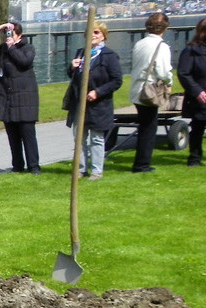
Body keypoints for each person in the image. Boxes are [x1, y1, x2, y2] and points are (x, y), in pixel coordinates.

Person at [63, 22, 122, 181]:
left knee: (96, 138)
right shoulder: (80, 52)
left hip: (99, 105)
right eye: (90, 32)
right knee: (79, 138)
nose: (93, 35)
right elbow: (74, 77)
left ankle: (97, 171)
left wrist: (98, 92)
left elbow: (116, 81)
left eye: (96, 32)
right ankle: (81, 169)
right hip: (79, 103)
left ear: (103, 35)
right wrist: (72, 68)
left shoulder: (109, 56)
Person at [0, 21, 40, 174]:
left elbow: (24, 62)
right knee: (13, 135)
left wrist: (12, 47)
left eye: (11, 33)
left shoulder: (28, 48)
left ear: (19, 35)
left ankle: (34, 167)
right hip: (8, 98)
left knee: (28, 134)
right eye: (6, 34)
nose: (7, 36)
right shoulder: (3, 50)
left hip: (25, 98)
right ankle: (17, 166)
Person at [128, 12, 172, 173]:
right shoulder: (161, 46)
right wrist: (169, 83)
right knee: (149, 128)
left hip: (137, 88)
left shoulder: (140, 43)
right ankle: (142, 164)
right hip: (149, 90)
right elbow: (163, 71)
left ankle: (141, 162)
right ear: (165, 28)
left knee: (145, 125)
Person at [177, 17, 206, 168]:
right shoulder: (191, 51)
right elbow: (183, 73)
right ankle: (194, 158)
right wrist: (197, 91)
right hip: (200, 96)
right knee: (198, 127)